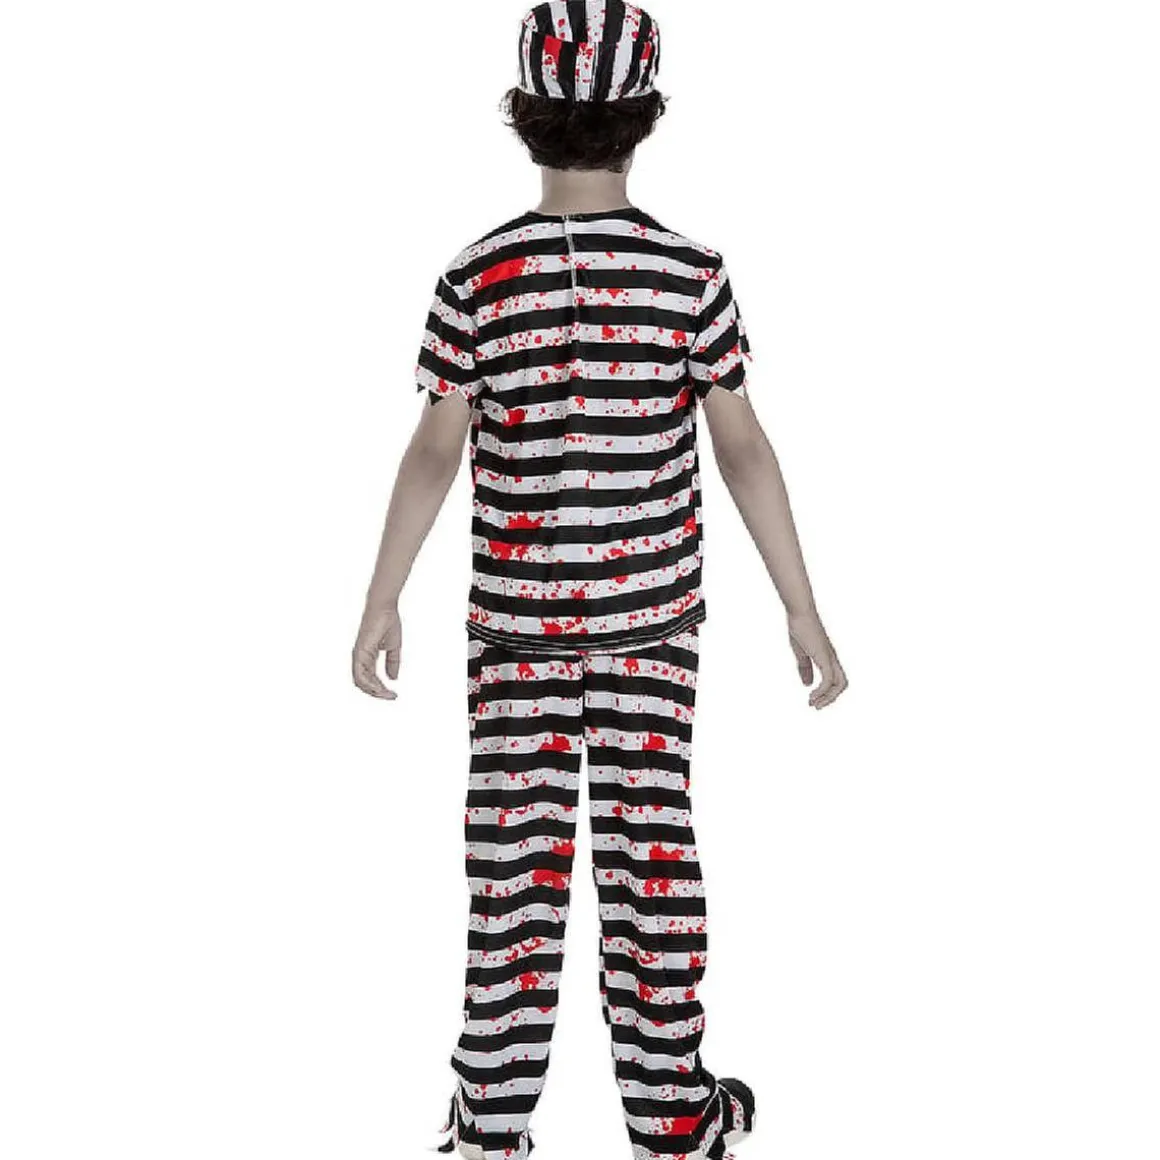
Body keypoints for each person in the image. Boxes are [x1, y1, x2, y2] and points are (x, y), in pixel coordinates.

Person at [352, 4, 848, 1157]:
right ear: (645, 119)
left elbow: (434, 448)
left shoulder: (476, 276)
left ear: (523, 115)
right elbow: (740, 445)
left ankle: (489, 1119)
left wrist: (382, 594)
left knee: (510, 877)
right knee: (650, 863)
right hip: (649, 626)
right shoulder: (690, 274)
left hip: (514, 630)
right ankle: (671, 1114)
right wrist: (801, 606)